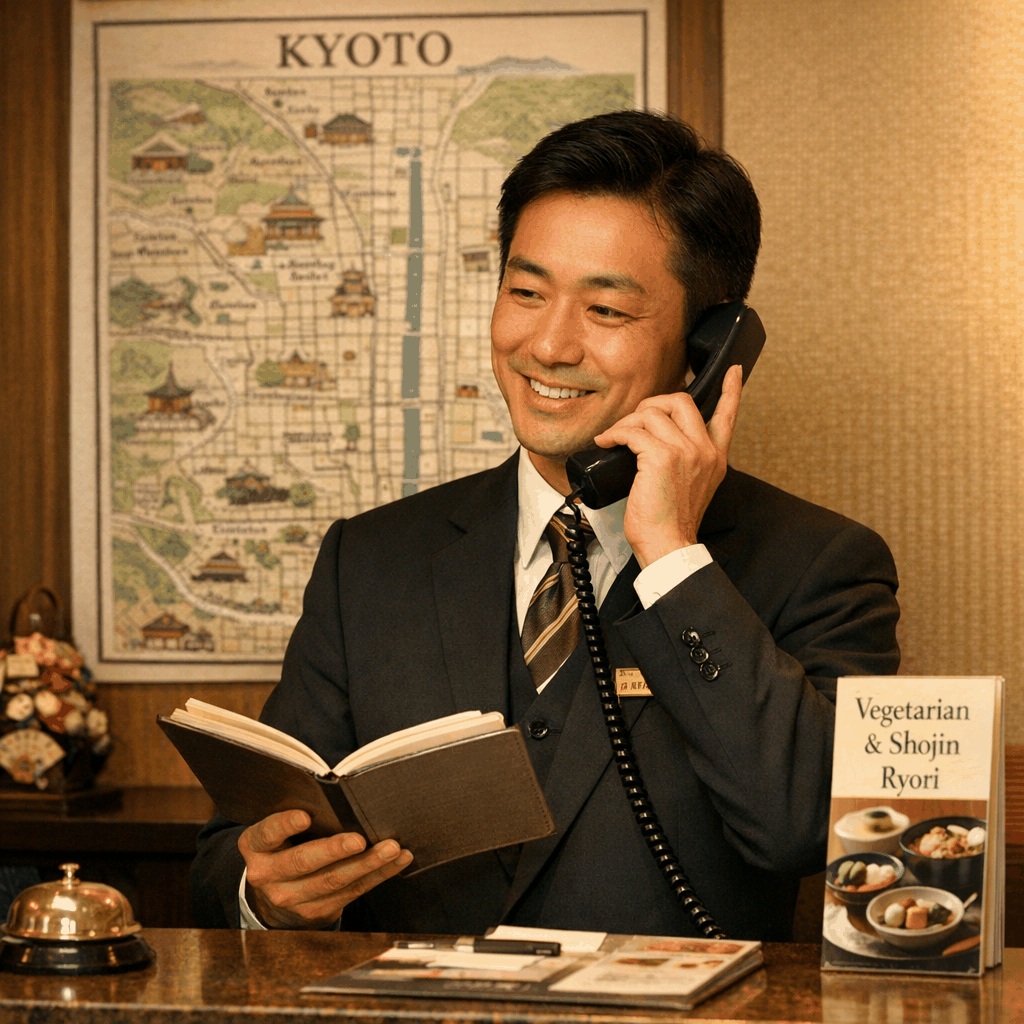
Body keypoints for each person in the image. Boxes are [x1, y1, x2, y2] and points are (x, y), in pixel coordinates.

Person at [192, 110, 899, 940]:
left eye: (605, 310)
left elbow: (808, 829)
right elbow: (225, 858)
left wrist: (672, 558)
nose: (549, 345)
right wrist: (265, 893)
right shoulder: (370, 560)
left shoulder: (821, 564)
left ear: (708, 348)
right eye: (525, 293)